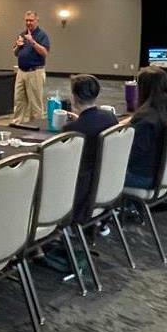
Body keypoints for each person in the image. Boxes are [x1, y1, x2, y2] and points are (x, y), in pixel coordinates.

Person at [62, 74, 118, 223]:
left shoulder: (73, 129)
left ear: (74, 96)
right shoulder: (110, 117)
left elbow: (64, 164)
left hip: (81, 191)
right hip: (106, 183)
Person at [124, 67, 167, 189]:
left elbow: (132, 155)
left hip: (143, 176)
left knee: (93, 172)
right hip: (164, 171)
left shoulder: (145, 119)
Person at [11, 10, 50, 124]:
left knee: (35, 103)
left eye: (31, 20)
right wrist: (18, 46)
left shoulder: (42, 35)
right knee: (19, 100)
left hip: (35, 72)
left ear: (36, 20)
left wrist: (32, 42)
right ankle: (17, 124)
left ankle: (37, 127)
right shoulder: (22, 34)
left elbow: (44, 53)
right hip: (21, 72)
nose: (28, 22)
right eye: (27, 20)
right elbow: (15, 53)